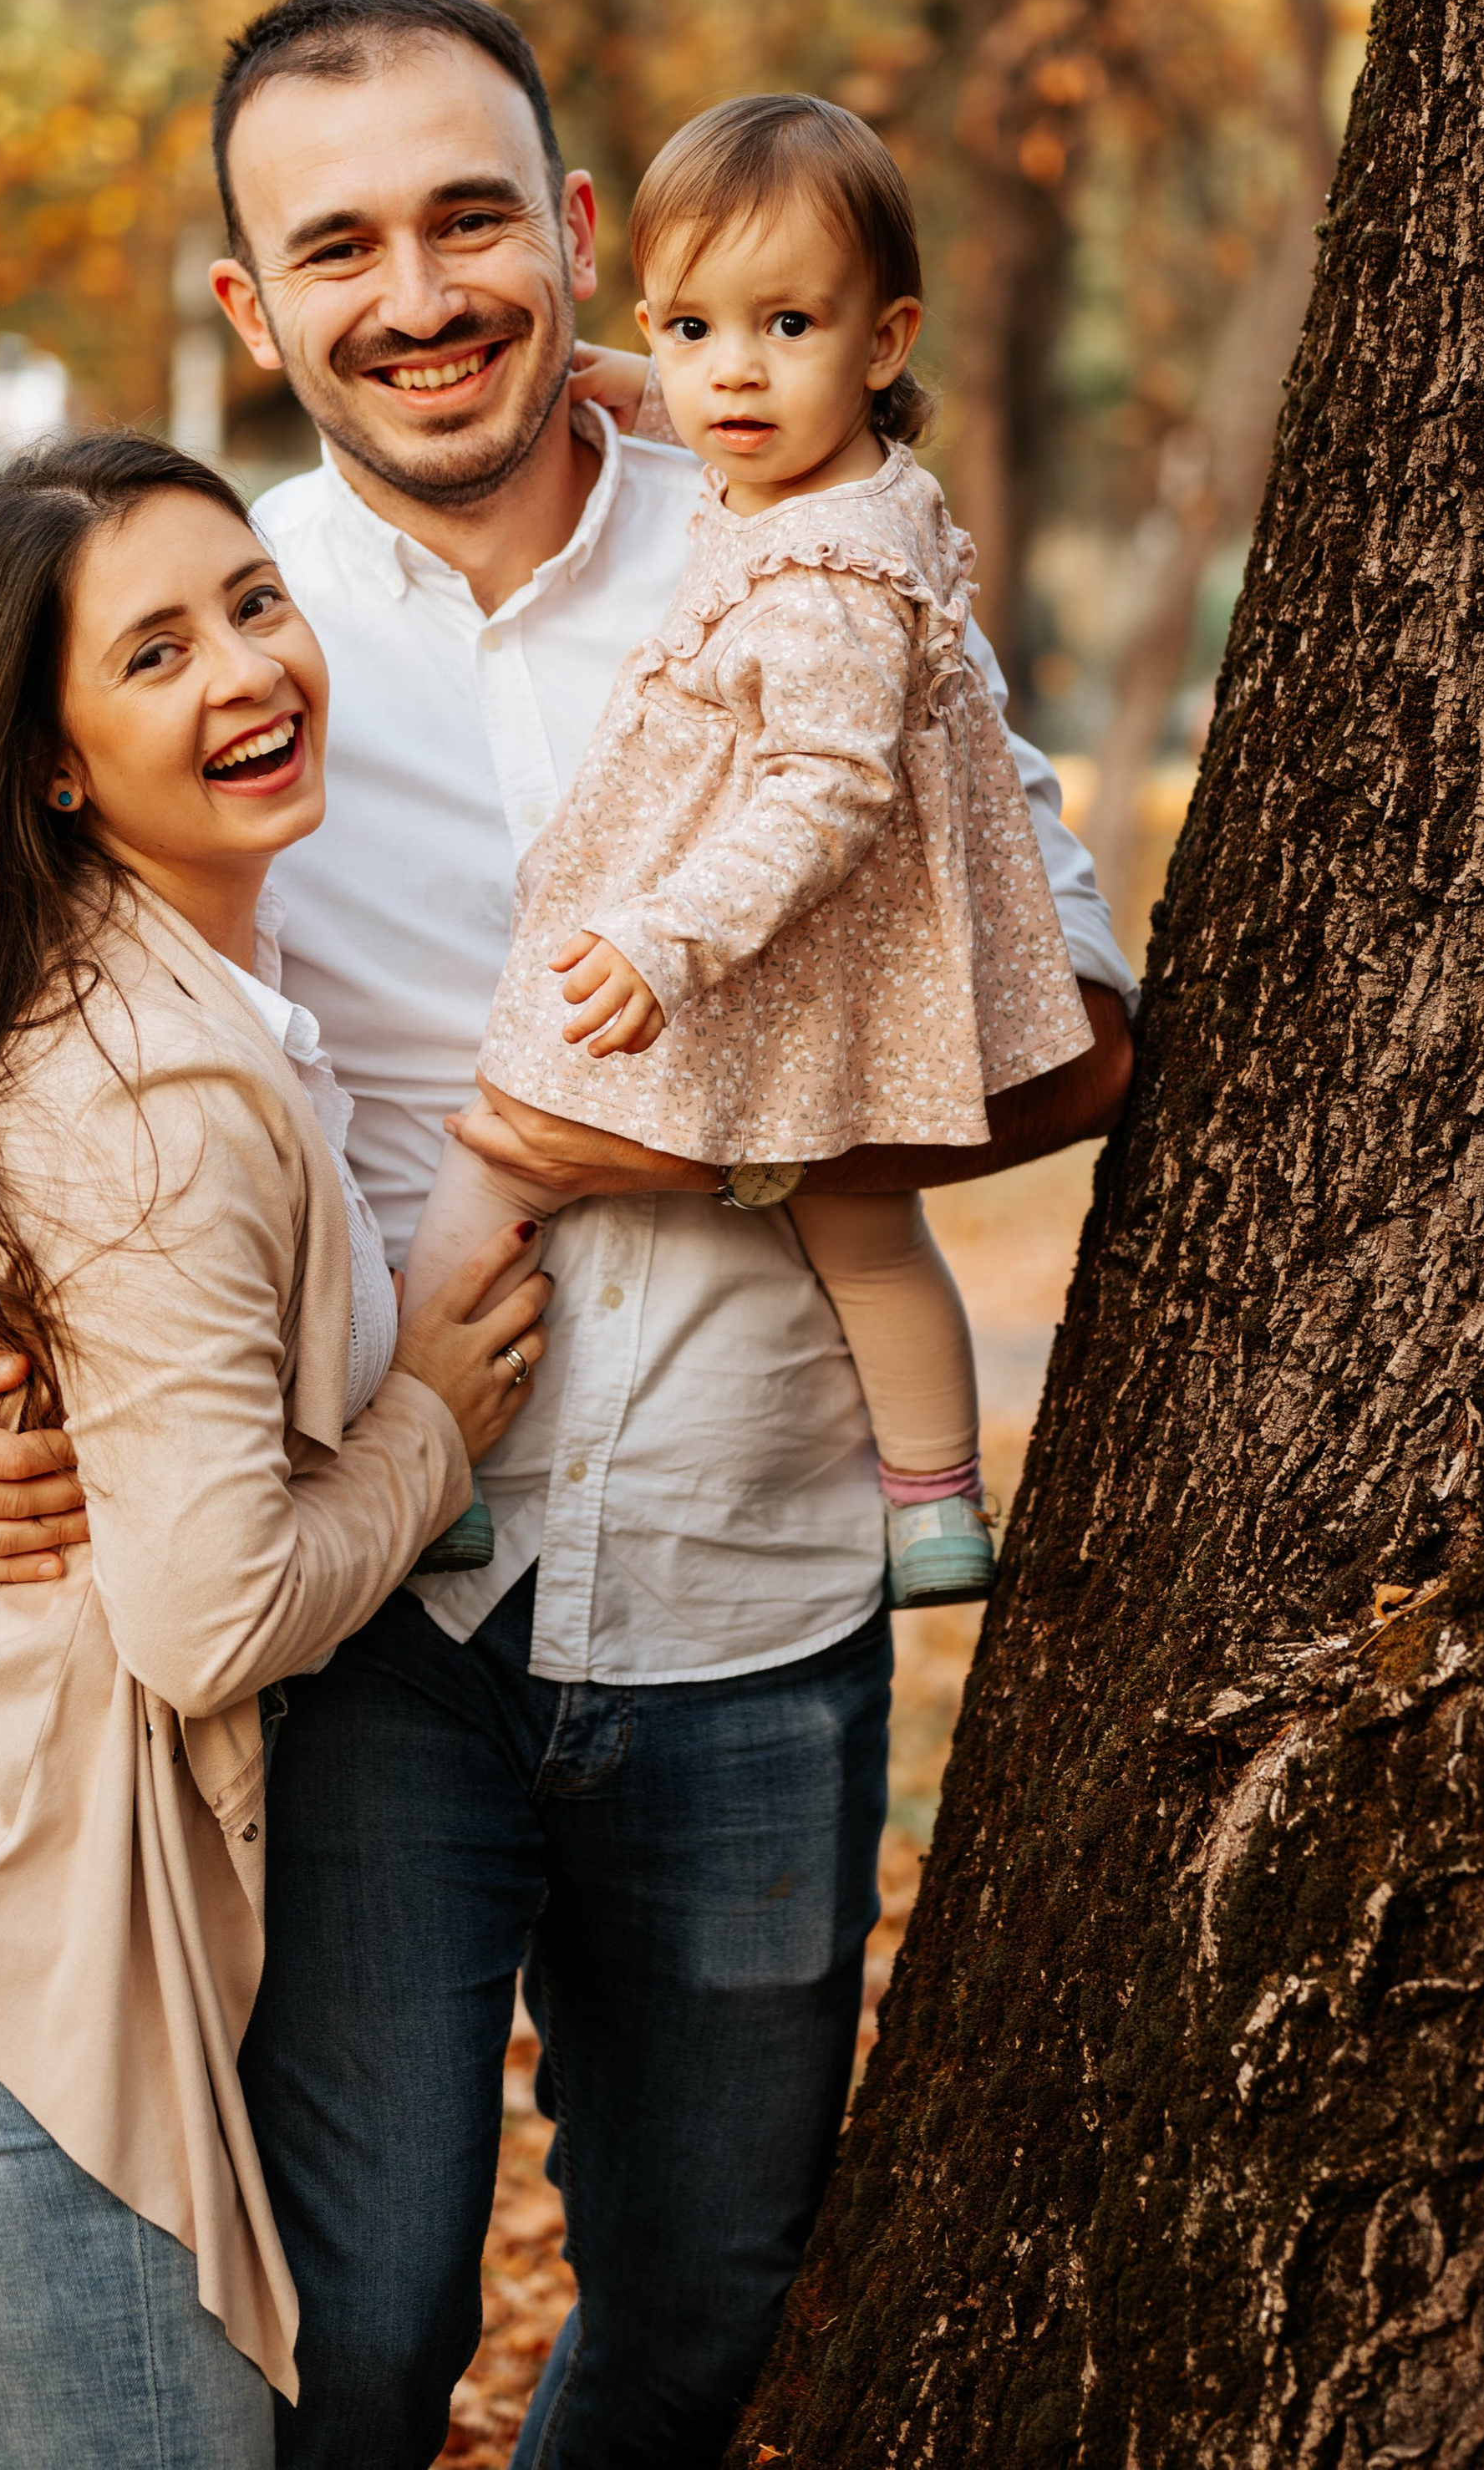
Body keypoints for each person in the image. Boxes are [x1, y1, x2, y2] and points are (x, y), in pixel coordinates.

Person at [0, 0, 1136, 2470]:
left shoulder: (815, 554)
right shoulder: (201, 620)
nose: (423, 294)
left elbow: (1079, 1013)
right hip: (371, 1622)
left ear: (575, 234)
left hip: (742, 1595)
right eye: (341, 246)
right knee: (350, 2340)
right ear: (259, 313)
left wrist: (734, 1144)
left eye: (473, 216)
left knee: (713, 2297)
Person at [0, 434, 549, 2470]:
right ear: (52, 761)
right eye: (151, 656)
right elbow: (210, 1611)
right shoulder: (150, 1092)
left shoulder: (79, 940)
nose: (243, 674)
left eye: (249, 605)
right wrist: (428, 1421)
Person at [401, 91, 1091, 1612]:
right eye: (695, 331)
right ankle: (932, 1501)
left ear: (887, 340)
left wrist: (664, 937)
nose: (733, 376)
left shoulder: (826, 577)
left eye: (788, 325)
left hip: (750, 949)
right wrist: (631, 382)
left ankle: (430, 1460)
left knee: (491, 1154)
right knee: (862, 1228)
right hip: (849, 991)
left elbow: (826, 793)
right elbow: (723, 400)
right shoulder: (845, 484)